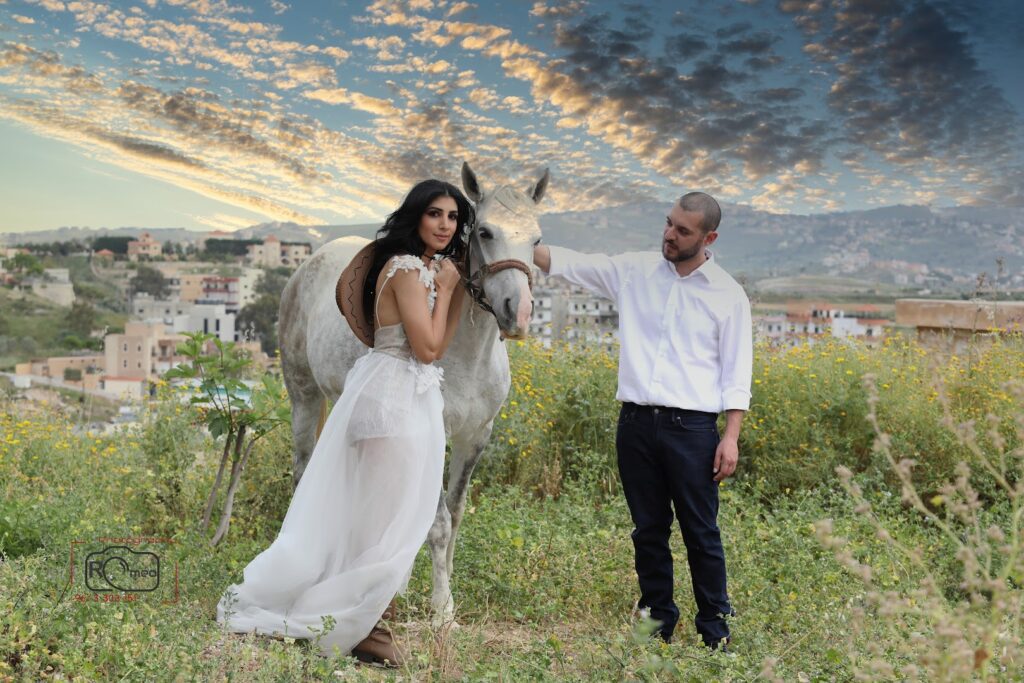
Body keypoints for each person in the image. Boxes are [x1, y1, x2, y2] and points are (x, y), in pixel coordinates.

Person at [216, 179, 474, 666]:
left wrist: (449, 292)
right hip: (391, 397)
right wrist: (447, 291)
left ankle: (364, 615)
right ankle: (366, 627)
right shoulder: (404, 270)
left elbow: (434, 346)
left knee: (390, 516)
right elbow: (430, 349)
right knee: (382, 520)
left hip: (403, 393)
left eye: (453, 217)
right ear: (416, 217)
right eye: (435, 214)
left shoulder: (420, 270)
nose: (445, 225)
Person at [533, 192, 752, 650]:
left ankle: (716, 629)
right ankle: (656, 623)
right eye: (669, 224)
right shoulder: (634, 270)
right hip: (634, 425)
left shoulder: (728, 295)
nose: (670, 235)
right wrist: (512, 240)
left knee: (700, 531)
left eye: (683, 230)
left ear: (709, 237)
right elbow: (570, 263)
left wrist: (729, 437)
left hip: (692, 430)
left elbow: (737, 372)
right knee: (648, 529)